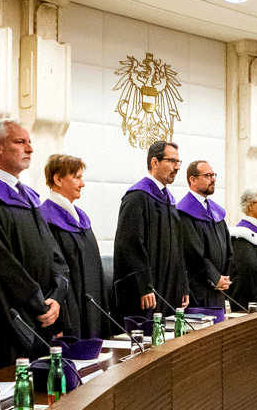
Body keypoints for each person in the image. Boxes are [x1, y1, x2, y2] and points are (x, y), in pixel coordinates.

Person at [0, 118, 69, 371]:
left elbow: (55, 257)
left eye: (29, 143)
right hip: (4, 326)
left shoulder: (30, 198)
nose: (30, 149)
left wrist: (56, 298)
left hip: (40, 322)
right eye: (20, 142)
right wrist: (39, 304)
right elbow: (0, 268)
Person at [113, 140, 189, 321]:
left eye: (178, 162)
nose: (177, 167)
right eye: (171, 161)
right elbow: (129, 245)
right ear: (155, 162)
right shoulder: (137, 197)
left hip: (168, 287)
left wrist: (182, 285)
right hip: (146, 292)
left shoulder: (169, 199)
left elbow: (178, 248)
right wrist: (143, 286)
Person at [39, 154, 110, 339]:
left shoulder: (81, 218)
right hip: (69, 315)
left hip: (91, 311)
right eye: (77, 177)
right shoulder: (45, 219)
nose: (83, 183)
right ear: (58, 179)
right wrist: (60, 321)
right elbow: (49, 273)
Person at [176, 160, 232, 309]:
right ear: (192, 180)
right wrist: (215, 278)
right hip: (198, 290)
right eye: (207, 175)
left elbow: (228, 248)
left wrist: (224, 278)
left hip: (218, 290)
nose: (213, 179)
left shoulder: (216, 211)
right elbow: (194, 254)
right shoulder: (184, 211)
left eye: (213, 175)